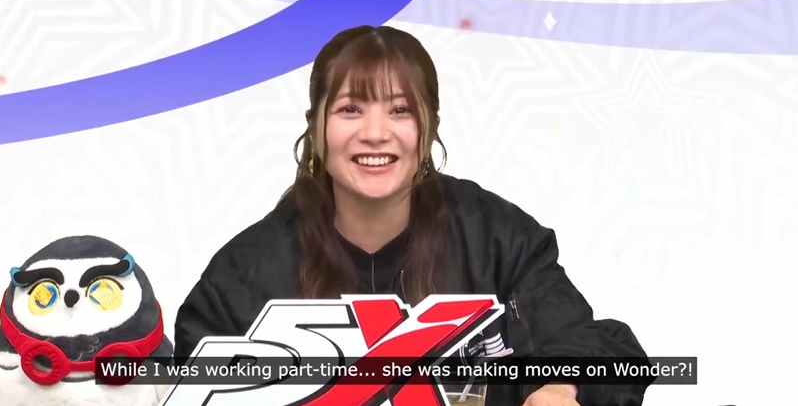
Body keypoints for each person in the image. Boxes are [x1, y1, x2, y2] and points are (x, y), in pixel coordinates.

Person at [173, 25, 650, 406]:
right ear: (316, 129)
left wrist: (561, 389)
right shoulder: (244, 275)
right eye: (350, 109)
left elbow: (593, 345)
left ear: (428, 128)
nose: (375, 133)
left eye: (399, 110)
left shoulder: (499, 241)